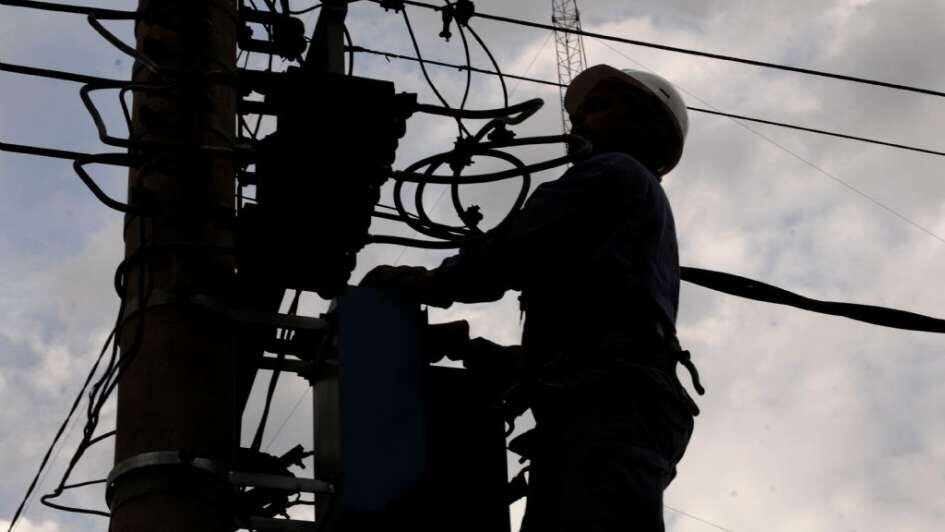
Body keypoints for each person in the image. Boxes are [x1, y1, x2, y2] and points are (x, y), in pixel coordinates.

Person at [362, 64, 704, 532]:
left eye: (600, 107)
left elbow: (514, 248)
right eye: (579, 112)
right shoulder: (631, 213)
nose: (578, 121)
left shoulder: (614, 172)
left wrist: (428, 283)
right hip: (612, 407)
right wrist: (477, 353)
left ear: (645, 124)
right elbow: (596, 333)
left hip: (609, 408)